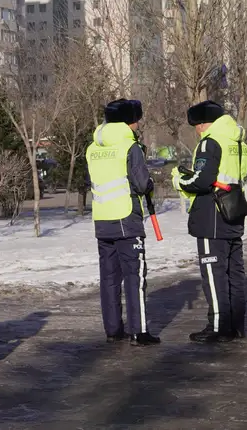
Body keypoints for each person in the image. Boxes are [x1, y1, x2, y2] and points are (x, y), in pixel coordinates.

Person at [171, 100, 247, 344]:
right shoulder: (238, 141)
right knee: (234, 272)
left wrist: (179, 180)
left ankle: (217, 326)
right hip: (233, 210)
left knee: (214, 274)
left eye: (197, 125)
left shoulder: (209, 142)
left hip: (211, 215)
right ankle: (236, 325)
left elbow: (202, 181)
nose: (196, 130)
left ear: (204, 123)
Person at [86, 98, 160, 346]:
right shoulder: (130, 148)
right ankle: (139, 332)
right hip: (127, 220)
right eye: (137, 120)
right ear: (130, 121)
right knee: (134, 276)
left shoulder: (93, 148)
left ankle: (113, 330)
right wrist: (150, 184)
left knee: (109, 277)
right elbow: (141, 184)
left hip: (102, 220)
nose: (139, 125)